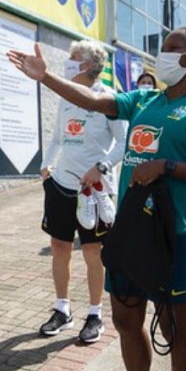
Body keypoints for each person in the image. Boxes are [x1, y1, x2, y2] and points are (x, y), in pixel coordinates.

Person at [8, 26, 186, 371]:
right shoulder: (145, 100)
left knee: (175, 328)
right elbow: (93, 100)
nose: (162, 55)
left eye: (172, 48)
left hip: (177, 232)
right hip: (132, 227)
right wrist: (45, 77)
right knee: (126, 320)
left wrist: (167, 166)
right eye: (162, 48)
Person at [38, 41, 127, 343]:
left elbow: (124, 145)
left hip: (96, 188)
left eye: (73, 59)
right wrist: (46, 164)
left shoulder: (108, 98)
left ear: (88, 65)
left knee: (93, 252)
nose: (67, 62)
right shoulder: (66, 96)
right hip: (61, 185)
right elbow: (56, 139)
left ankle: (95, 314)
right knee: (59, 247)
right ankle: (62, 310)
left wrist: (100, 168)